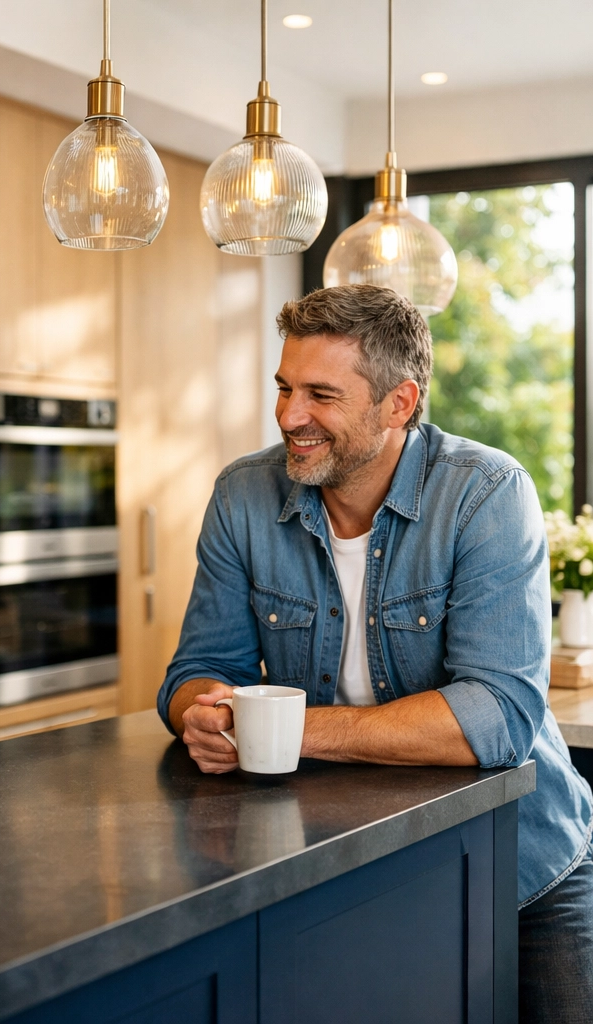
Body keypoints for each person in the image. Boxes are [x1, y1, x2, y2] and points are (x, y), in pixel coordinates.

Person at [158, 284, 593, 1023]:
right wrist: (198, 713)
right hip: (341, 864)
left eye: (320, 394)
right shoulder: (242, 496)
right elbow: (197, 670)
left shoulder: (487, 493)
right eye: (284, 387)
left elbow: (497, 719)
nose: (290, 415)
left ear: (398, 403)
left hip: (521, 865)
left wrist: (281, 731)